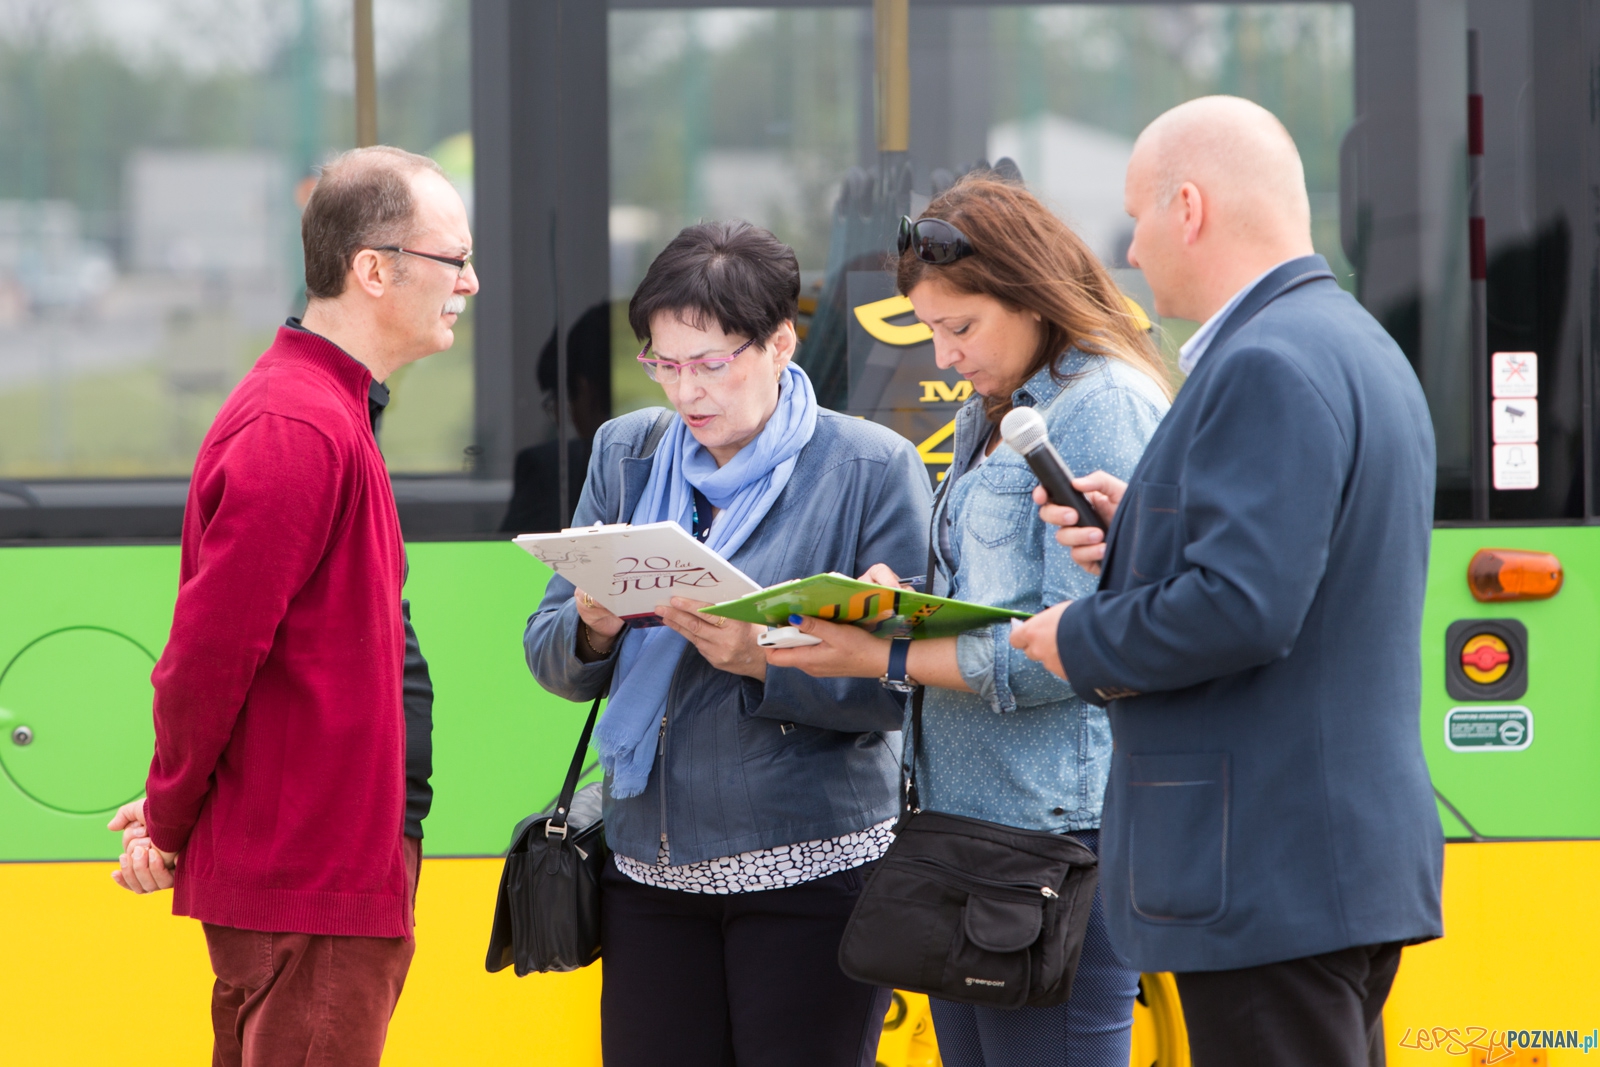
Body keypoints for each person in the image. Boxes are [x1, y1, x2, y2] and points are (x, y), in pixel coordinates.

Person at [1008, 96, 1444, 1067]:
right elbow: (1299, 566)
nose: (1127, 248)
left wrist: (1073, 636)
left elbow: (1244, 607)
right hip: (1321, 862)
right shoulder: (1349, 342)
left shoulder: (1265, 363)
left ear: (1189, 206)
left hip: (1263, 868)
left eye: (1137, 215)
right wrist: (1140, 535)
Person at [769, 175, 1171, 1067]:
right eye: (930, 332)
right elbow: (996, 594)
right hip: (971, 831)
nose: (944, 357)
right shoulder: (1001, 410)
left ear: (1031, 293)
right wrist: (898, 599)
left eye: (961, 328)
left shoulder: (1099, 404)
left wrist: (883, 655)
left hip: (1054, 835)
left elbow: (1075, 646)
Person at [523, 220, 932, 1067]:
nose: (687, 392)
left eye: (711, 364)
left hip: (813, 870)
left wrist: (759, 658)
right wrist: (595, 624)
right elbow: (548, 650)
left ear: (780, 343)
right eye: (664, 364)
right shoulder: (627, 453)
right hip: (646, 870)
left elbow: (905, 684)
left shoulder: (868, 469)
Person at [106, 144, 478, 1067]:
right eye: (454, 259)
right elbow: (207, 658)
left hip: (329, 869)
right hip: (314, 879)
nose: (470, 282)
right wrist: (168, 813)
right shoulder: (298, 427)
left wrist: (176, 805)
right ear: (374, 269)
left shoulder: (328, 408)